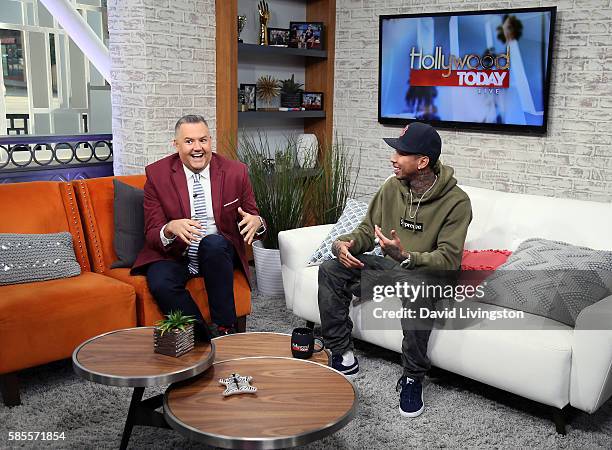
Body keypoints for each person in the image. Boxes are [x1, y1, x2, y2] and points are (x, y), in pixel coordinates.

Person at [318, 122, 471, 418]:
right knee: (331, 269)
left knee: (416, 289)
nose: (393, 158)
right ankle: (342, 353)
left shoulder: (457, 202)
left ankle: (413, 377)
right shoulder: (391, 187)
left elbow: (450, 259)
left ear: (423, 161)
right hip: (391, 266)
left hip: (430, 276)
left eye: (401, 153)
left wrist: (407, 255)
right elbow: (366, 230)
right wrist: (343, 245)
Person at [132, 114, 266, 340]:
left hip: (216, 254)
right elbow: (153, 232)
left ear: (210, 141)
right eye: (189, 141)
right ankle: (203, 339)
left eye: (203, 140)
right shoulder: (157, 175)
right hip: (176, 253)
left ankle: (226, 329)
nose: (198, 148)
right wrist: (170, 227)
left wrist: (258, 221)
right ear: (176, 145)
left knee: (213, 244)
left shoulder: (236, 172)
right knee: (160, 280)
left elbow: (254, 216)